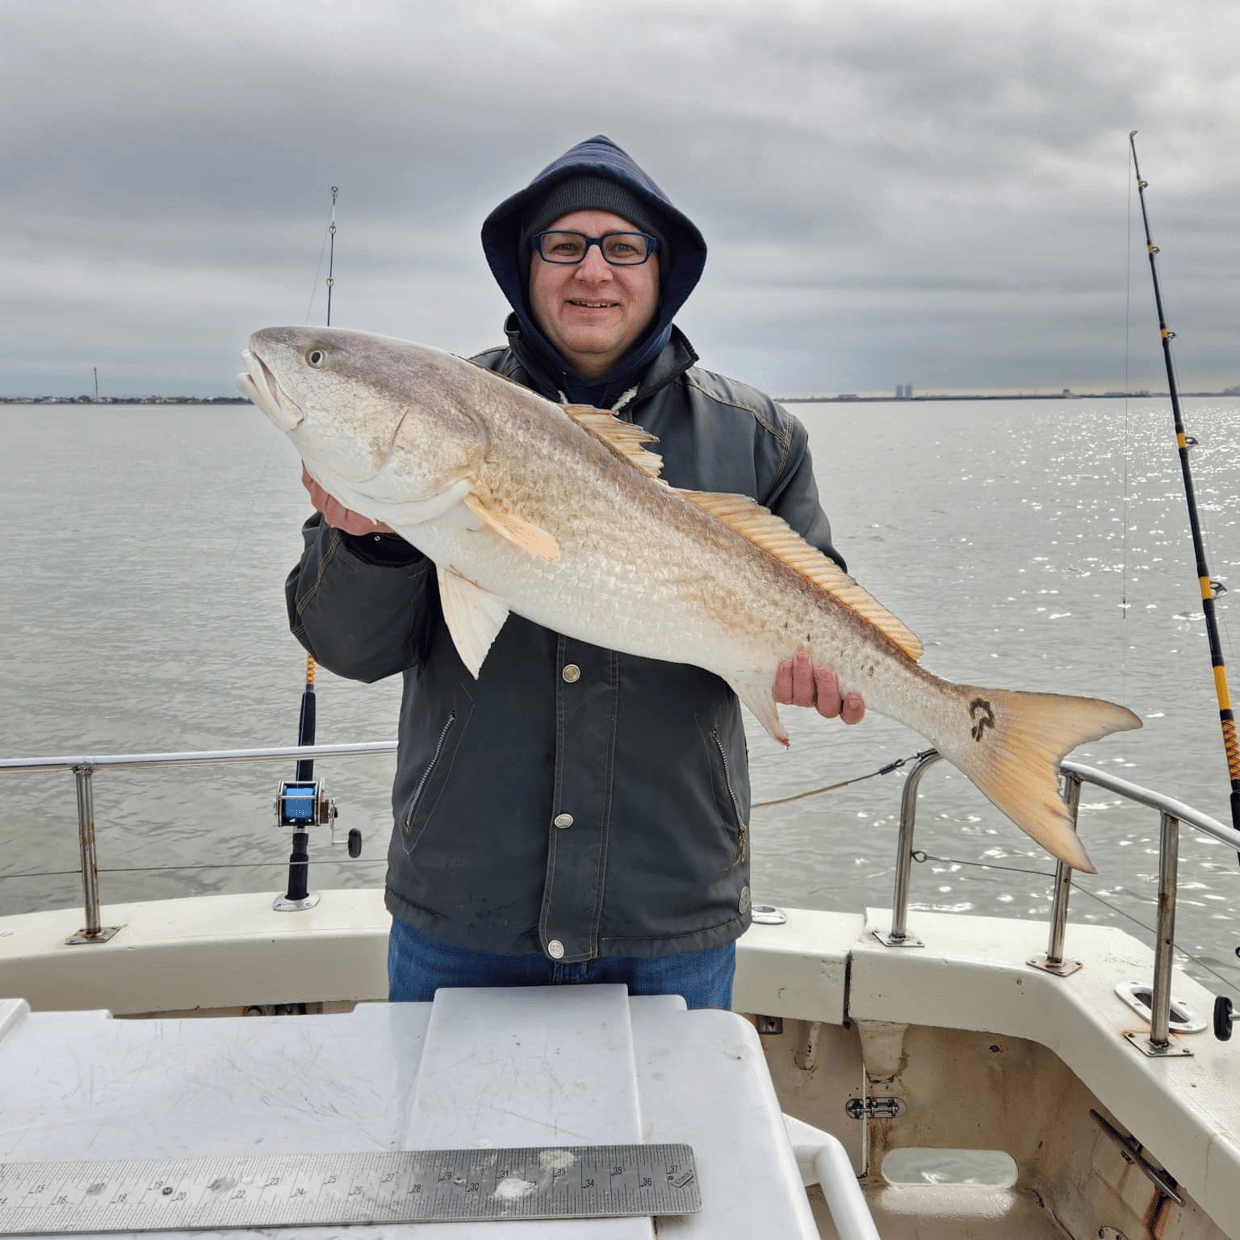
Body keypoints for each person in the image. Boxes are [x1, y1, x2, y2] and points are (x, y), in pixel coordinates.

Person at [286, 135, 864, 1010]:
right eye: (564, 245)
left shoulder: (759, 437)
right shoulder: (431, 413)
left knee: (674, 1151)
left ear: (663, 271)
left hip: (670, 908)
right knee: (441, 1149)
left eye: (623, 246)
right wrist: (375, 542)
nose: (593, 270)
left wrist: (825, 672)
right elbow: (347, 648)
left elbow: (819, 599)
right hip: (462, 911)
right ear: (527, 268)